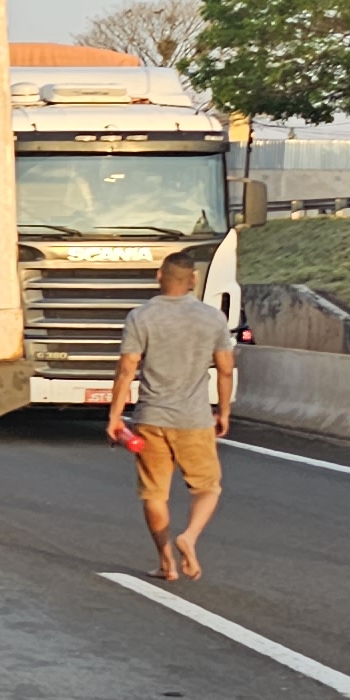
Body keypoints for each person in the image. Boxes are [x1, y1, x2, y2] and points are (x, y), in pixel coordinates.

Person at [104, 249, 236, 581]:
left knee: (154, 494)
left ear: (159, 277)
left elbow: (126, 369)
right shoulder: (213, 318)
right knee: (208, 487)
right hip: (195, 419)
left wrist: (115, 416)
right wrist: (223, 410)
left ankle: (166, 563)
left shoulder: (140, 316)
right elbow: (224, 370)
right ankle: (188, 537)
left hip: (151, 418)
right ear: (193, 280)